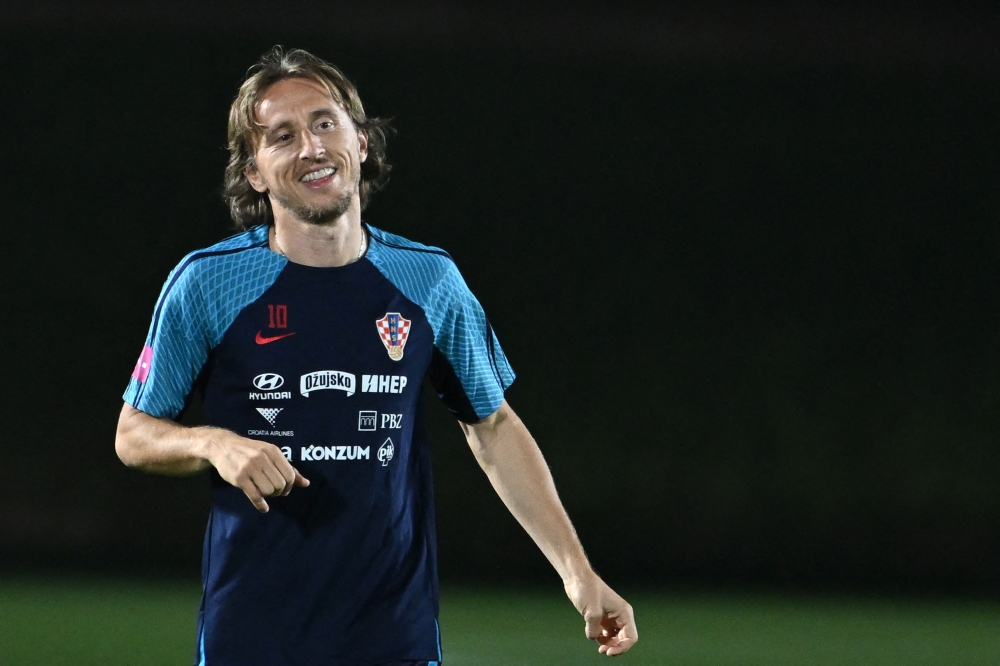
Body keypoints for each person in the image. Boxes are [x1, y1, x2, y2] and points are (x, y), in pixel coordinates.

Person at [115, 46, 636, 666]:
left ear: (361, 143)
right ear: (253, 172)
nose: (311, 147)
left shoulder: (429, 281)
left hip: (393, 634)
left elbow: (493, 424)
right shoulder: (208, 284)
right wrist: (213, 445)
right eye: (281, 136)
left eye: (325, 123)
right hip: (252, 636)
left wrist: (578, 575)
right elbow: (134, 434)